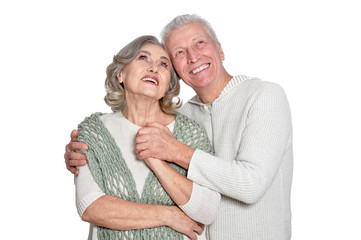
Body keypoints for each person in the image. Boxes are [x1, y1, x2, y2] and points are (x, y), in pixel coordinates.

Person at [66, 14, 293, 240]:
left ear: (220, 50)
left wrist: (173, 151)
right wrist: (82, 153)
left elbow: (250, 185)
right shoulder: (183, 116)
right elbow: (89, 202)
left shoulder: (263, 96)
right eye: (179, 53)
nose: (193, 57)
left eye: (200, 43)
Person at [71, 35, 220, 240]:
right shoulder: (94, 131)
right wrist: (169, 215)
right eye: (143, 58)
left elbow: (207, 210)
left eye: (164, 64)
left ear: (168, 84)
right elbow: (90, 206)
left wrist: (156, 160)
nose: (154, 68)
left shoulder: (190, 132)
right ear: (120, 74)